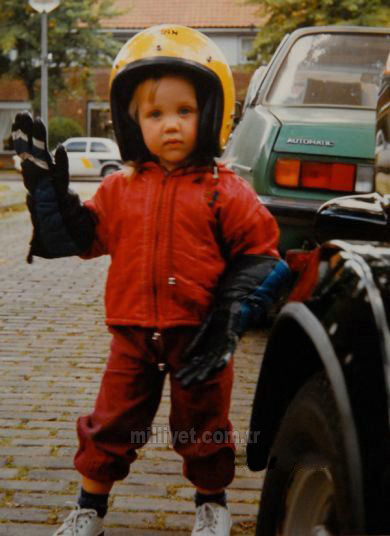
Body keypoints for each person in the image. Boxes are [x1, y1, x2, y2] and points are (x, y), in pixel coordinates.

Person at [12, 24, 290, 536]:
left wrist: (228, 319)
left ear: (211, 114)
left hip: (199, 337)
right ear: (131, 120)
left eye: (184, 111)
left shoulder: (224, 190)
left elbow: (262, 255)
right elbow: (80, 237)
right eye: (154, 113)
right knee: (110, 424)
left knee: (203, 428)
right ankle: (88, 510)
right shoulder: (121, 187)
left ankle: (211, 503)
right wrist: (48, 198)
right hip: (132, 338)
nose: (170, 125)